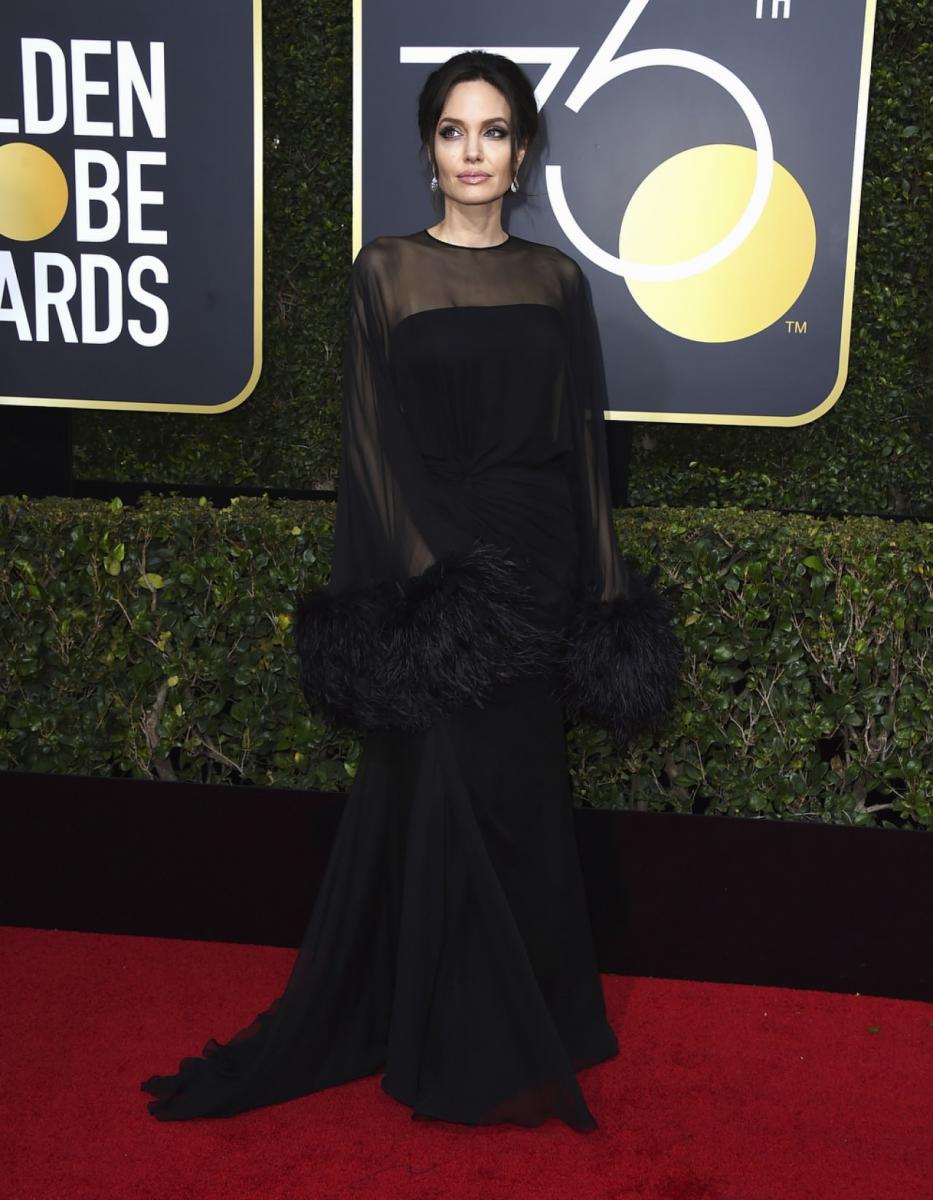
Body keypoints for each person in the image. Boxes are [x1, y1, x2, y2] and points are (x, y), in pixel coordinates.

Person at [141, 50, 682, 1133]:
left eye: (494, 131)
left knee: (523, 798)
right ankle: (450, 1038)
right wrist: (437, 582)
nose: (473, 151)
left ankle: (542, 1018)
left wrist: (603, 588)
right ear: (430, 150)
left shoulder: (556, 279)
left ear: (522, 154)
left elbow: (584, 448)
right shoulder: (385, 269)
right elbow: (371, 446)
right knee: (448, 795)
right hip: (444, 576)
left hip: (538, 567)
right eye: (453, 130)